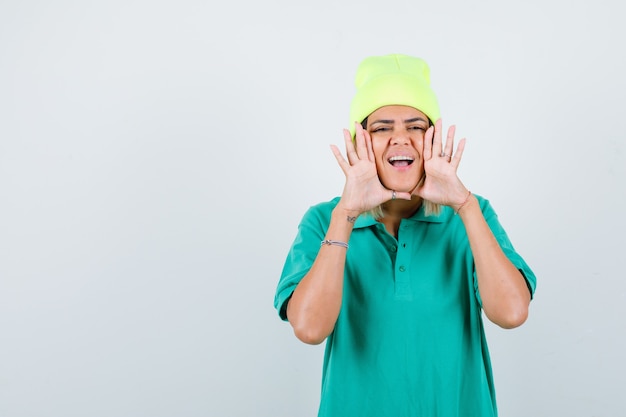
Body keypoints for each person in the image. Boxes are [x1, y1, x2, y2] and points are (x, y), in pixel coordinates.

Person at [274, 53, 536, 417]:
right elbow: (309, 328)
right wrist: (347, 214)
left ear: (433, 140)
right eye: (381, 128)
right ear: (359, 143)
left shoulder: (474, 215)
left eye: (415, 126)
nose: (401, 138)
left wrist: (463, 203)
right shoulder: (324, 220)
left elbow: (511, 313)